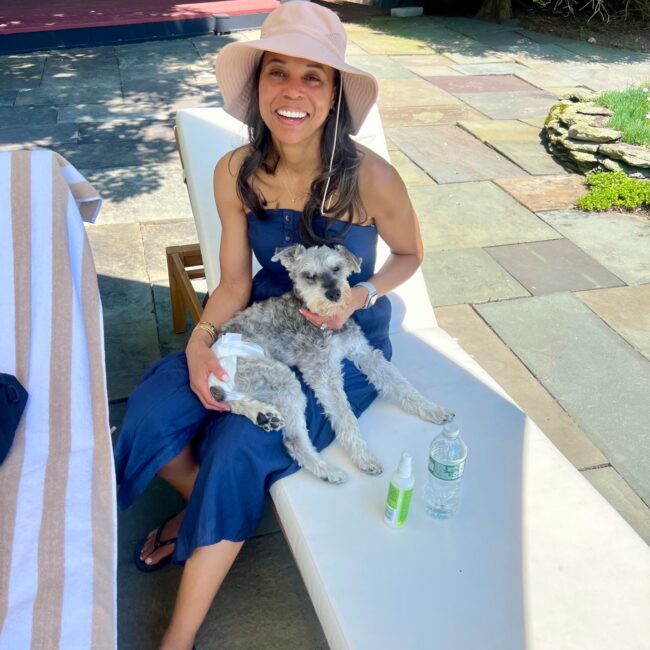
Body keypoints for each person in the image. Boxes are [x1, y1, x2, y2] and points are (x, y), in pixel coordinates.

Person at [114, 2, 425, 648]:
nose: (292, 91)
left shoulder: (372, 179)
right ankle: (210, 509)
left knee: (237, 447)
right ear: (257, 85)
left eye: (314, 76)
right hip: (259, 323)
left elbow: (410, 255)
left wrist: (361, 294)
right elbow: (230, 283)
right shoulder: (235, 172)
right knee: (149, 411)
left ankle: (177, 634)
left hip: (341, 345)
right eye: (277, 71)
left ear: (335, 92)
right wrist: (201, 344)